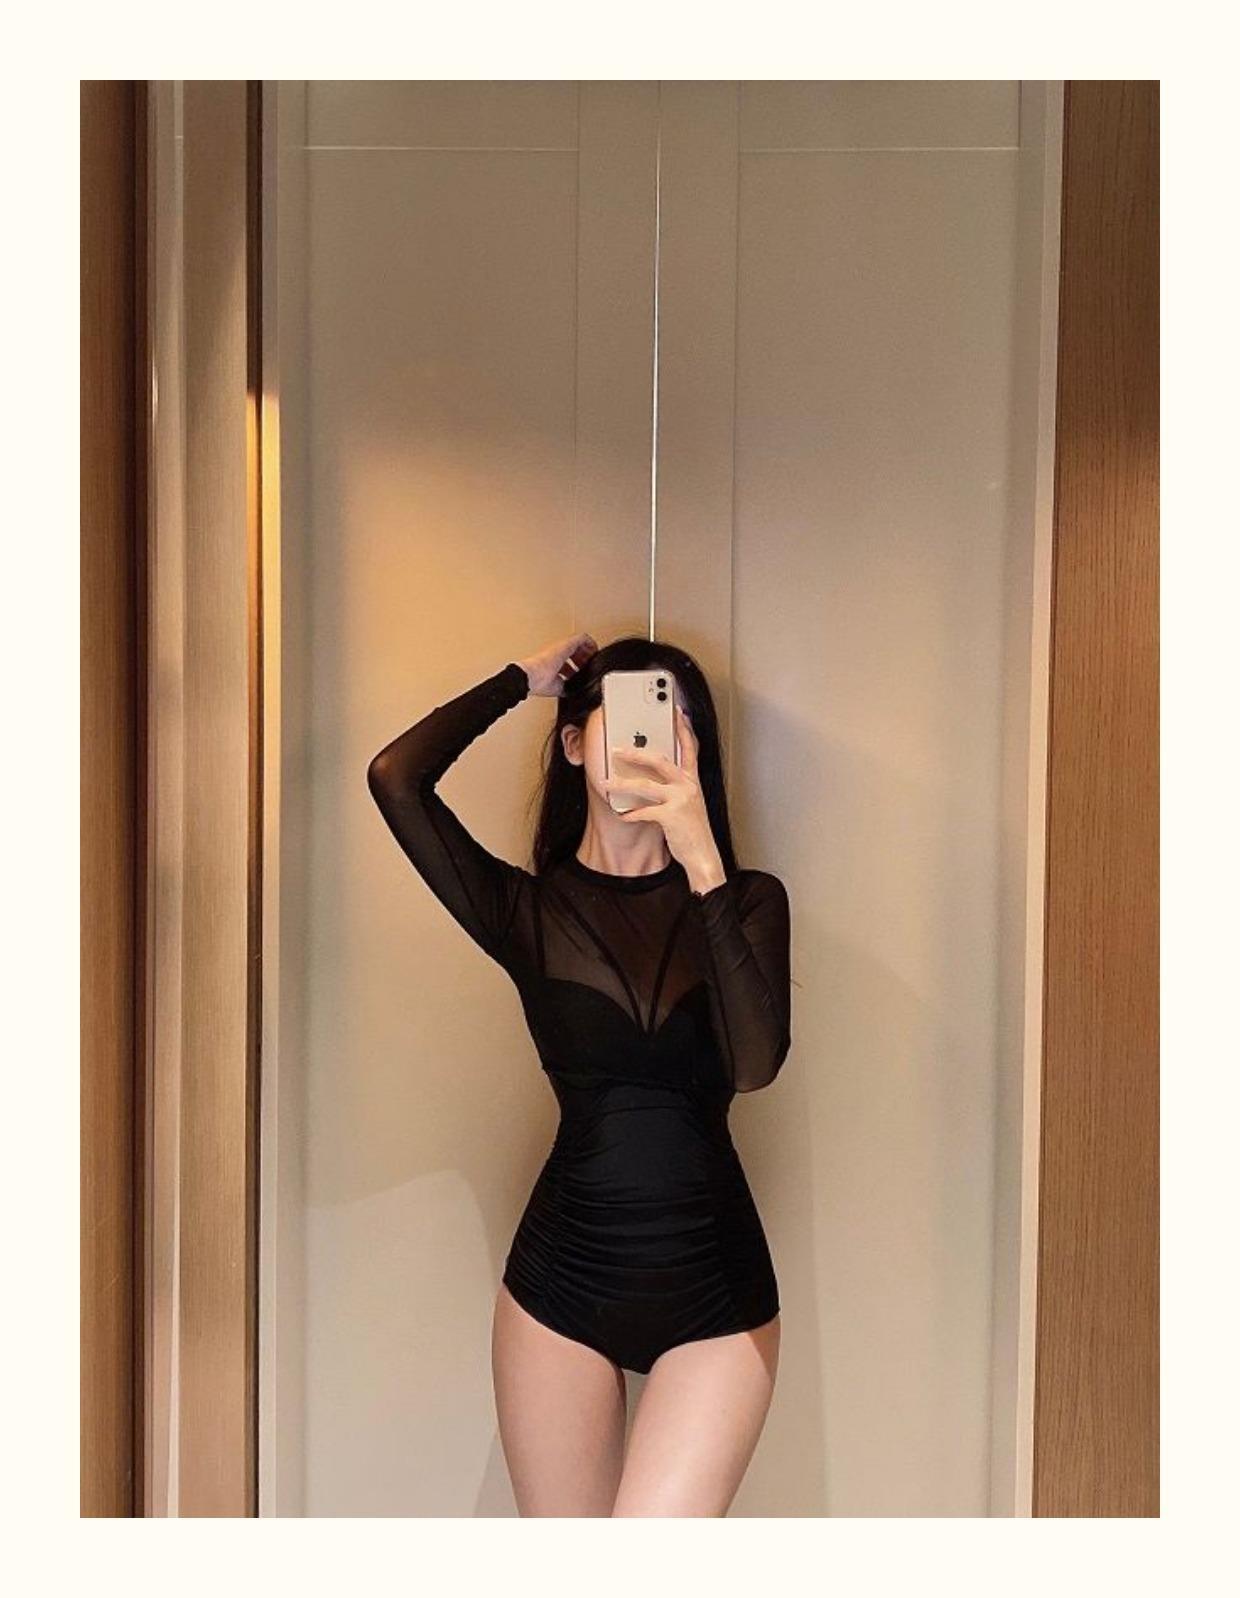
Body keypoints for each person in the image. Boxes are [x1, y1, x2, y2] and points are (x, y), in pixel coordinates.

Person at [366, 631, 792, 1516]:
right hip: (561, 1287)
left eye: (676, 719)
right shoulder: (527, 911)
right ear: (572, 743)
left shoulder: (748, 899)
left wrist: (702, 860)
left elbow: (755, 1067)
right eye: (627, 713)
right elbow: (395, 779)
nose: (651, 735)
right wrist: (521, 681)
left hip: (716, 1295)